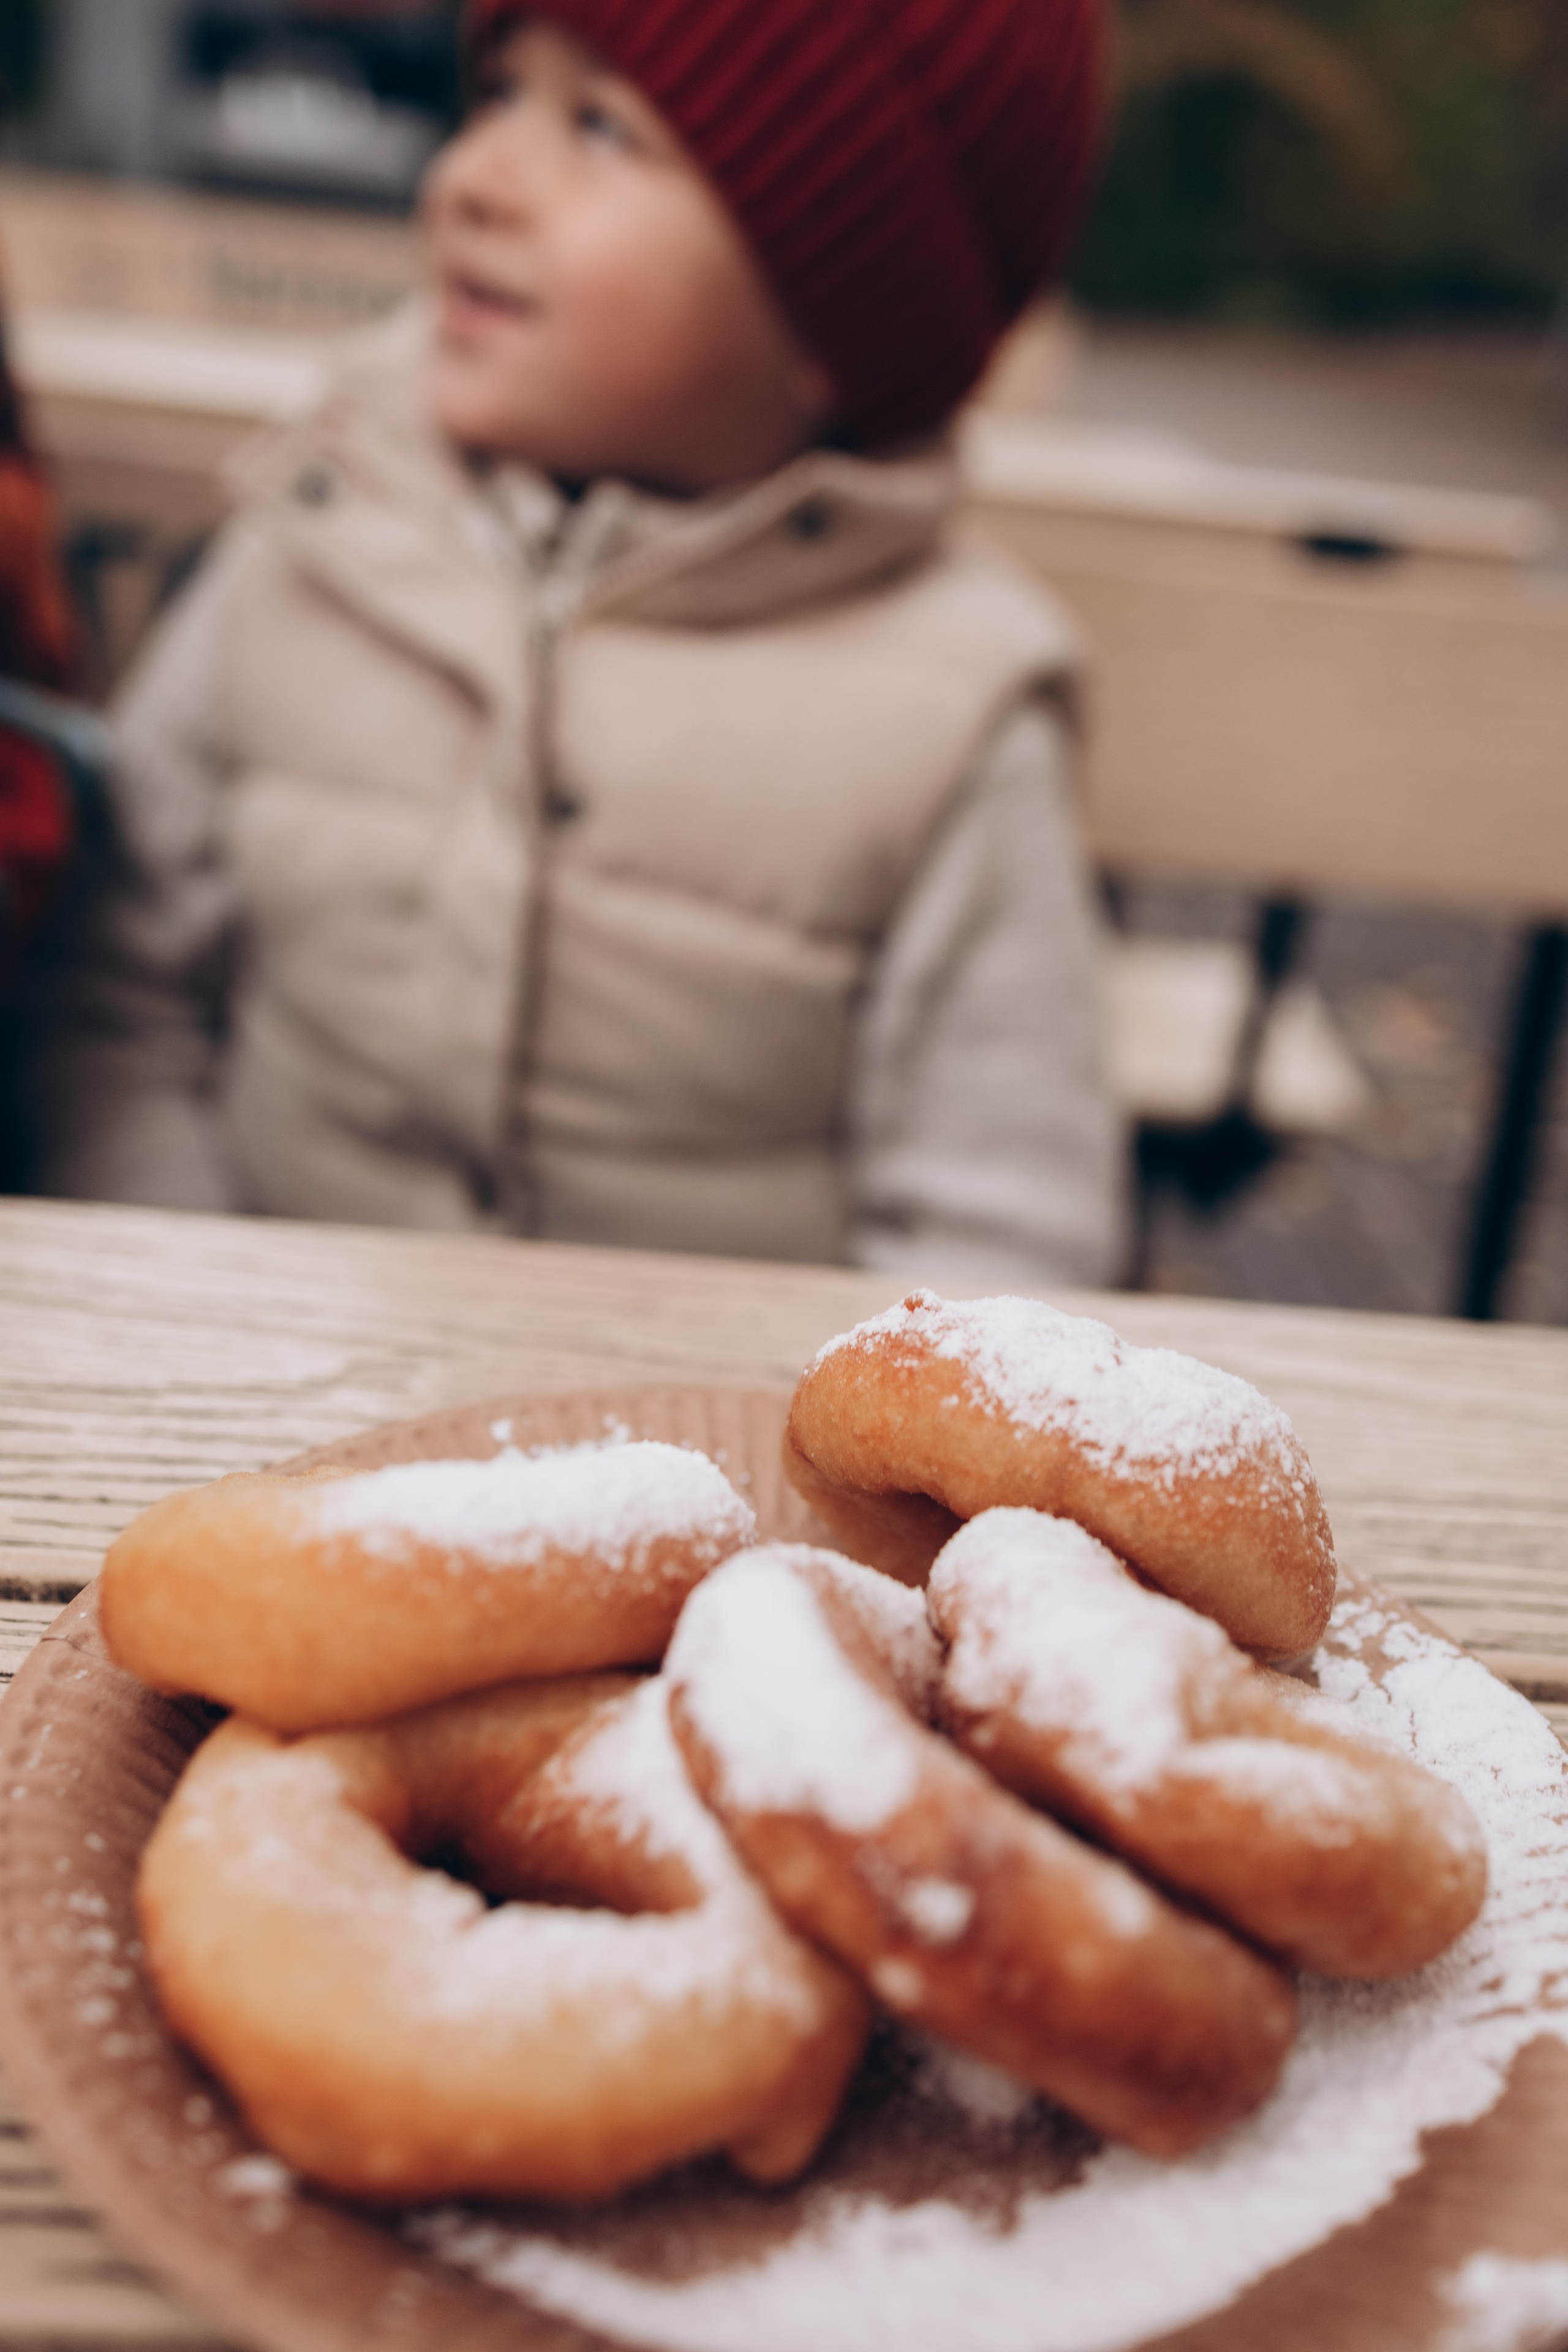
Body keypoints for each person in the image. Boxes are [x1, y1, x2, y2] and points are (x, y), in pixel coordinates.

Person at [29, 0, 1126, 1287]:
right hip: (262, 1412)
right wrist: (193, 1308)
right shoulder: (312, 535)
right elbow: (112, 1014)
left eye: (602, 126)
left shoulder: (958, 706)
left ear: (839, 308)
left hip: (720, 1464)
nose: (474, 179)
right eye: (496, 95)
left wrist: (817, 1472)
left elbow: (997, 1241)